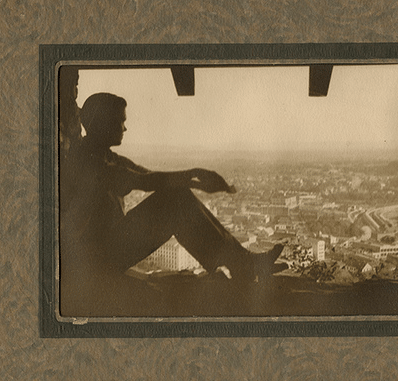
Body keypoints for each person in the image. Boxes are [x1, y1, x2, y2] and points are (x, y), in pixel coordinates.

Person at [60, 92, 284, 295]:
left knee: (177, 195)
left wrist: (195, 179)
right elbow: (145, 180)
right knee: (176, 199)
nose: (125, 128)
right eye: (121, 121)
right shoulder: (87, 161)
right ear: (103, 123)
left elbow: (148, 175)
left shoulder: (102, 156)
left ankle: (242, 263)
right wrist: (196, 175)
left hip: (100, 254)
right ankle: (243, 264)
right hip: (93, 262)